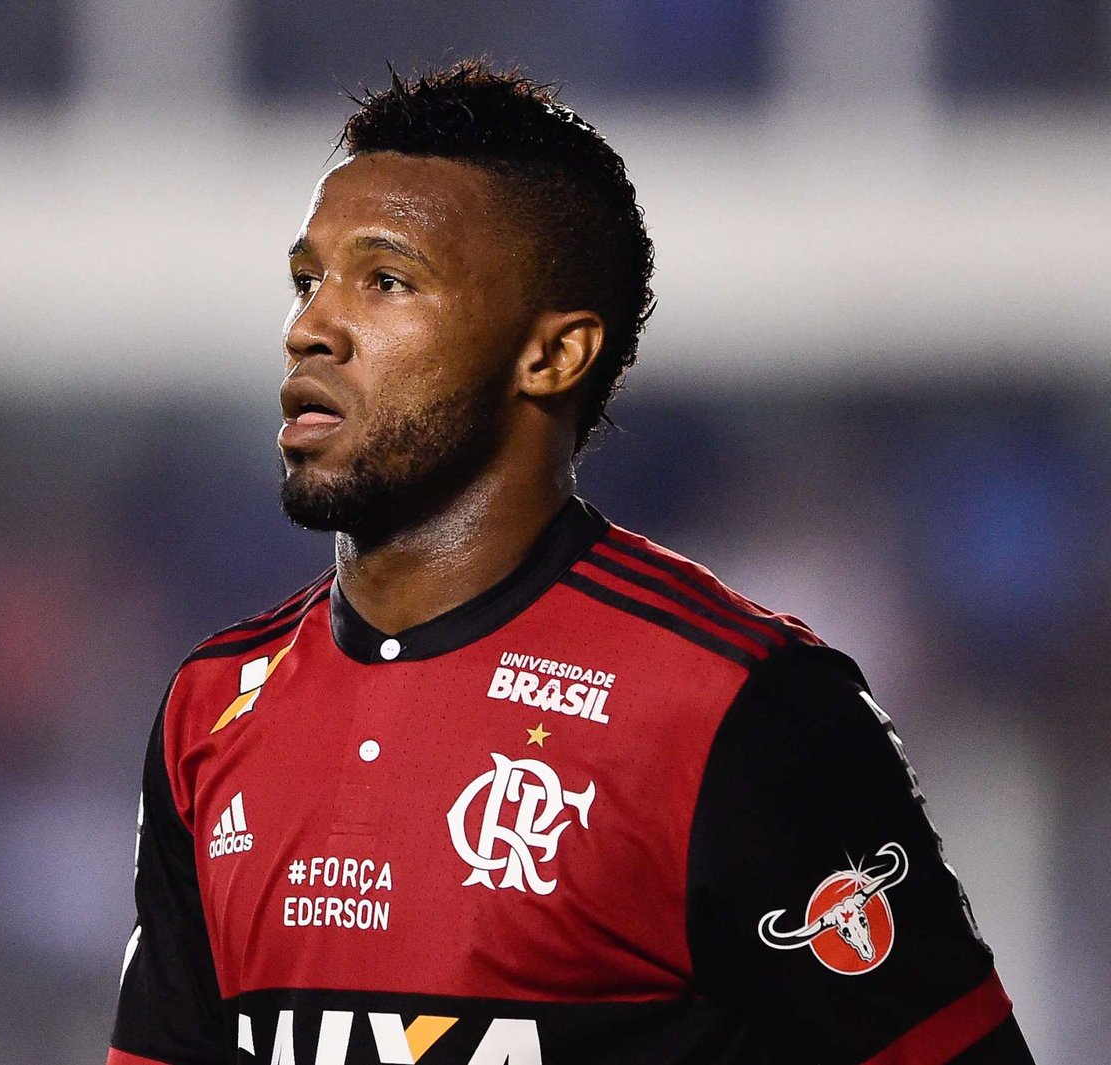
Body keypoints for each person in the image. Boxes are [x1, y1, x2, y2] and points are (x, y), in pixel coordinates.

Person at [106, 61, 1033, 1065]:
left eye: (386, 281)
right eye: (306, 280)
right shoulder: (210, 707)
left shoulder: (740, 709)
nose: (309, 329)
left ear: (552, 356)